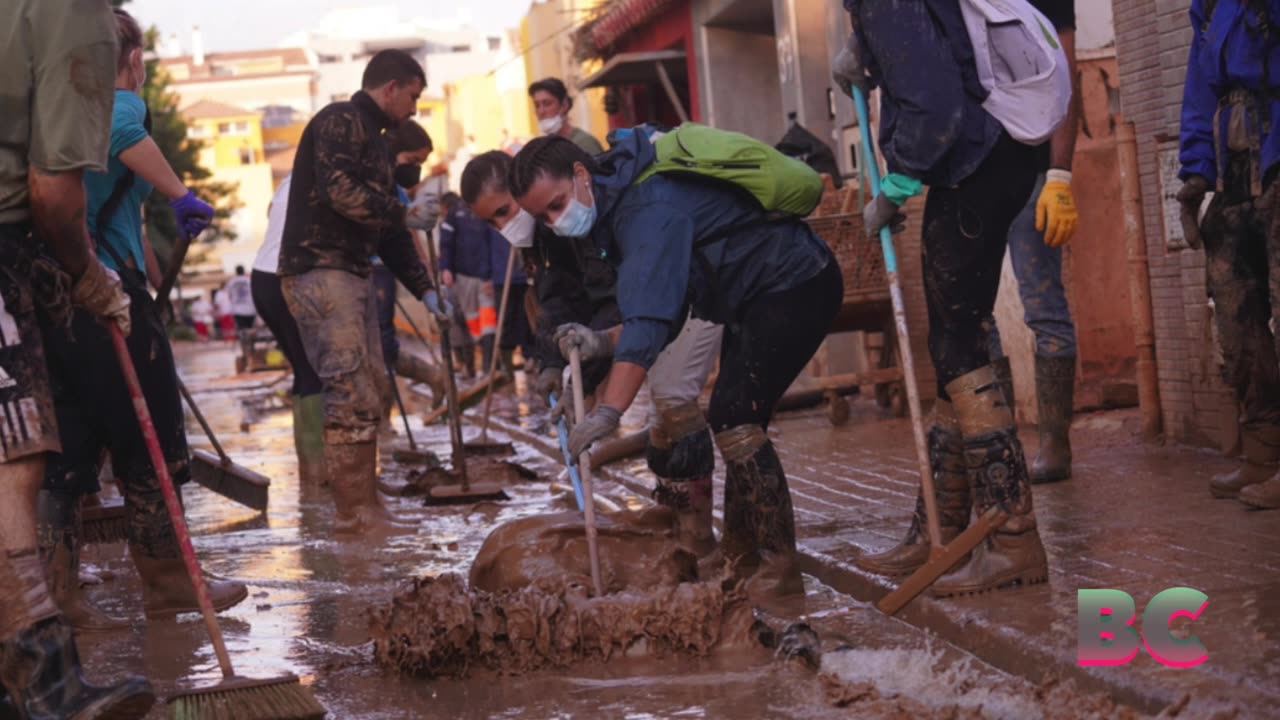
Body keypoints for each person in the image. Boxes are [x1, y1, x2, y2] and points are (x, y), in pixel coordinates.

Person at [509, 134, 842, 612]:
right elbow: (665, 307)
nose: (556, 222)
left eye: (558, 205)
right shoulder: (613, 210)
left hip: (795, 282)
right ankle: (743, 559)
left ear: (582, 175)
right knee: (733, 412)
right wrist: (602, 342)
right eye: (543, 216)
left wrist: (608, 413)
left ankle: (780, 576)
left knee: (736, 417)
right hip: (750, 298)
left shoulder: (646, 211)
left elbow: (648, 322)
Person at [36, 6, 249, 633]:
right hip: (101, 292)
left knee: (69, 449)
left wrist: (161, 294)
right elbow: (127, 130)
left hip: (58, 294)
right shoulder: (115, 102)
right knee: (150, 432)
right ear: (131, 58)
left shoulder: (56, 114)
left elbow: (126, 224)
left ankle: (58, 595)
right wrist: (182, 194)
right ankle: (169, 581)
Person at [857, 0, 1082, 578]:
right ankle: (942, 525)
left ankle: (1012, 537)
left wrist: (897, 184)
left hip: (974, 162)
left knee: (959, 348)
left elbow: (933, 107)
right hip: (1000, 155)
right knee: (955, 342)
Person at [0, 0, 154, 715]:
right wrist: (88, 275)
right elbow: (54, 194)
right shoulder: (74, 12)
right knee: (13, 449)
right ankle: (41, 674)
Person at [277, 49, 447, 537]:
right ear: (391, 88)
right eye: (413, 96)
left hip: (348, 272)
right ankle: (353, 517)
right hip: (318, 267)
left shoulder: (376, 142)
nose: (415, 108)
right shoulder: (340, 120)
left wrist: (426, 290)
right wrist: (403, 212)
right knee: (350, 389)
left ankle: (365, 504)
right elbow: (337, 190)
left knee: (370, 384)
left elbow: (390, 235)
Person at [1177, 0, 1280, 509]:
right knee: (1238, 323)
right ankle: (1263, 452)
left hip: (1277, 156)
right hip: (1236, 170)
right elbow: (1200, 88)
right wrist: (1196, 170)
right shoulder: (1211, 6)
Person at [982, 0, 1082, 486]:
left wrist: (1060, 175)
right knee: (976, 313)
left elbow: (1066, 75)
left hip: (1034, 169)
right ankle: (1000, 443)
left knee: (1043, 302)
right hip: (976, 171)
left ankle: (1054, 442)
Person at [253, 174, 329, 486]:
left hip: (263, 277)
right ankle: (319, 475)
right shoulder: (331, 177)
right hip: (288, 278)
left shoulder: (290, 178)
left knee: (303, 370)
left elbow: (271, 212)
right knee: (313, 371)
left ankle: (310, 475)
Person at [377, 120, 447, 407]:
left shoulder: (397, 191)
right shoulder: (368, 179)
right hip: (361, 267)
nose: (415, 169)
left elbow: (406, 236)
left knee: (382, 340)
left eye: (421, 163)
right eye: (412, 160)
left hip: (381, 267)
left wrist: (426, 280)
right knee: (371, 345)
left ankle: (430, 378)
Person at [439, 191, 498, 377]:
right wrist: (446, 268)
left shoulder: (483, 212)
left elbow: (493, 244)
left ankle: (490, 367)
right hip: (464, 278)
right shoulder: (454, 215)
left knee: (489, 322)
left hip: (485, 277)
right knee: (473, 321)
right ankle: (481, 364)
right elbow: (446, 243)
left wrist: (491, 275)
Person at [528, 77, 605, 155]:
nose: (541, 111)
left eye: (547, 104)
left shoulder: (584, 144)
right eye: (537, 105)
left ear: (564, 105)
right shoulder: (544, 147)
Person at [225, 265, 255, 331]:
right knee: (250, 328)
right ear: (244, 271)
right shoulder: (249, 280)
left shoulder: (231, 282)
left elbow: (228, 295)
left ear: (236, 272)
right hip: (250, 308)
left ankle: (244, 339)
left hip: (237, 309)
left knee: (241, 328)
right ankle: (249, 339)